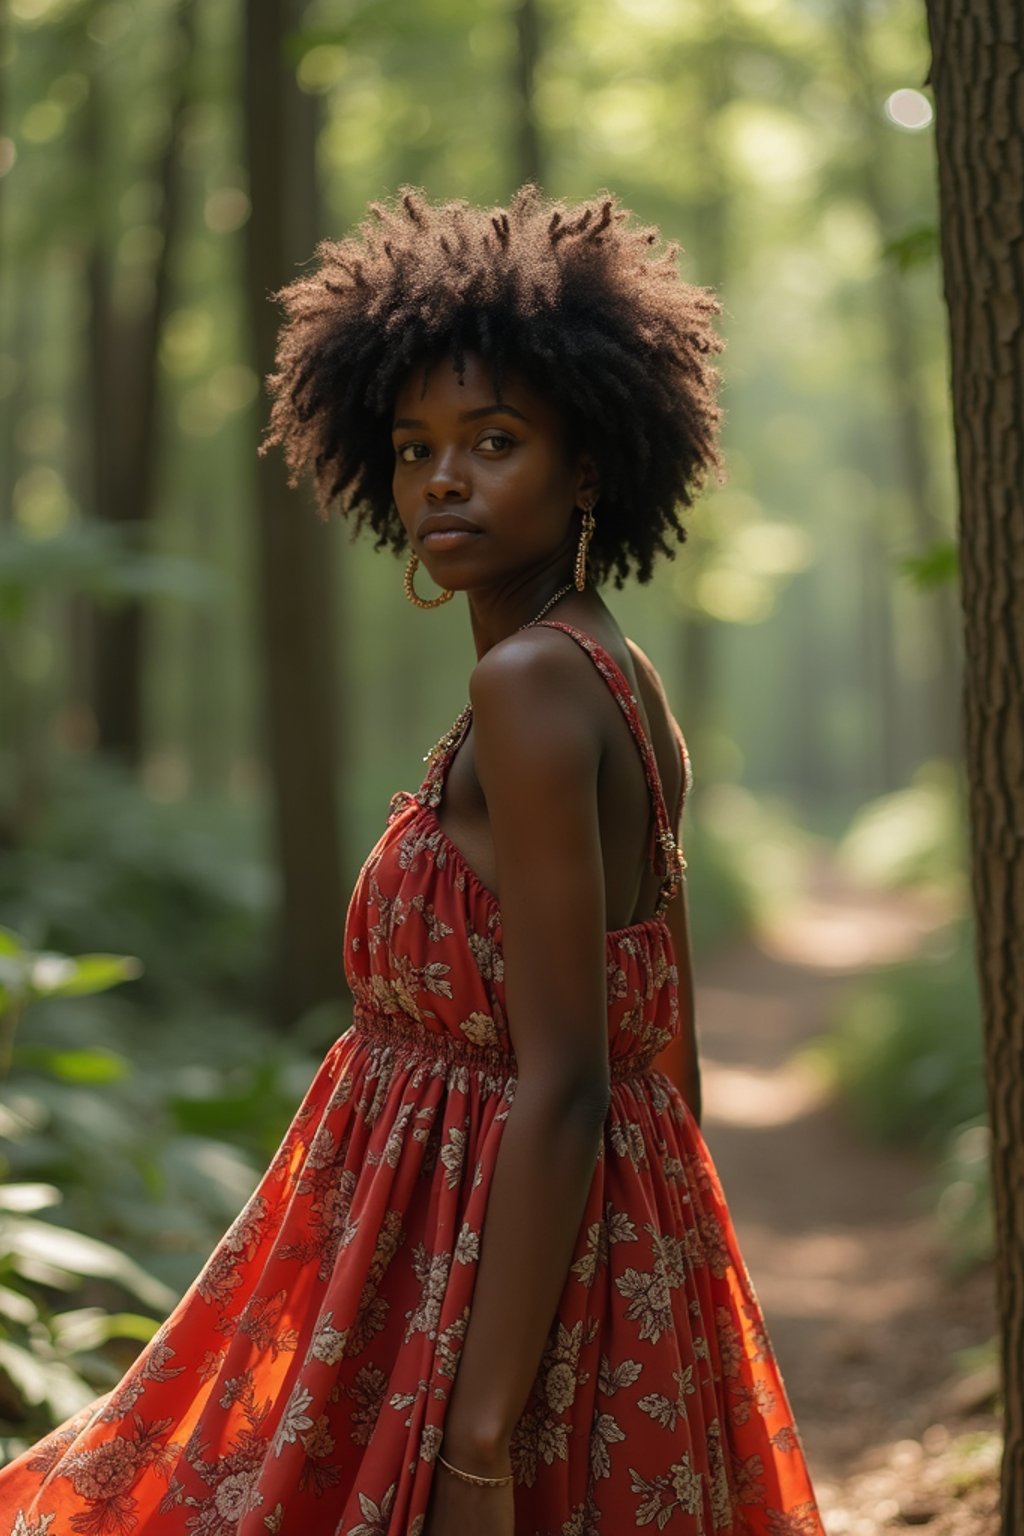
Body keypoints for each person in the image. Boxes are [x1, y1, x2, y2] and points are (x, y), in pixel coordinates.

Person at [0, 186, 823, 1535]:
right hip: (531, 1241)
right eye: (413, 446)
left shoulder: (531, 685)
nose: (443, 476)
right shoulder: (614, 670)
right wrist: (652, 1270)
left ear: (588, 464)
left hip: (477, 1262)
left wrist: (483, 1433)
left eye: (494, 441)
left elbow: (571, 1076)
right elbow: (661, 1052)